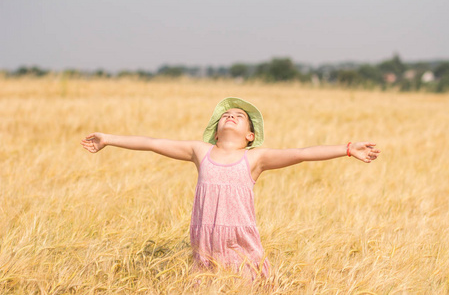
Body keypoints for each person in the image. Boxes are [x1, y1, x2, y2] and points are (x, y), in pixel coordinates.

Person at [81, 97, 380, 280]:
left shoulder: (255, 158)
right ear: (216, 130)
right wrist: (108, 138)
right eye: (226, 115)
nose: (231, 116)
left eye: (239, 116)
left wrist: (348, 148)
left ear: (250, 135)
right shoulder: (200, 152)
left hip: (241, 243)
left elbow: (301, 152)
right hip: (205, 240)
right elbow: (152, 144)